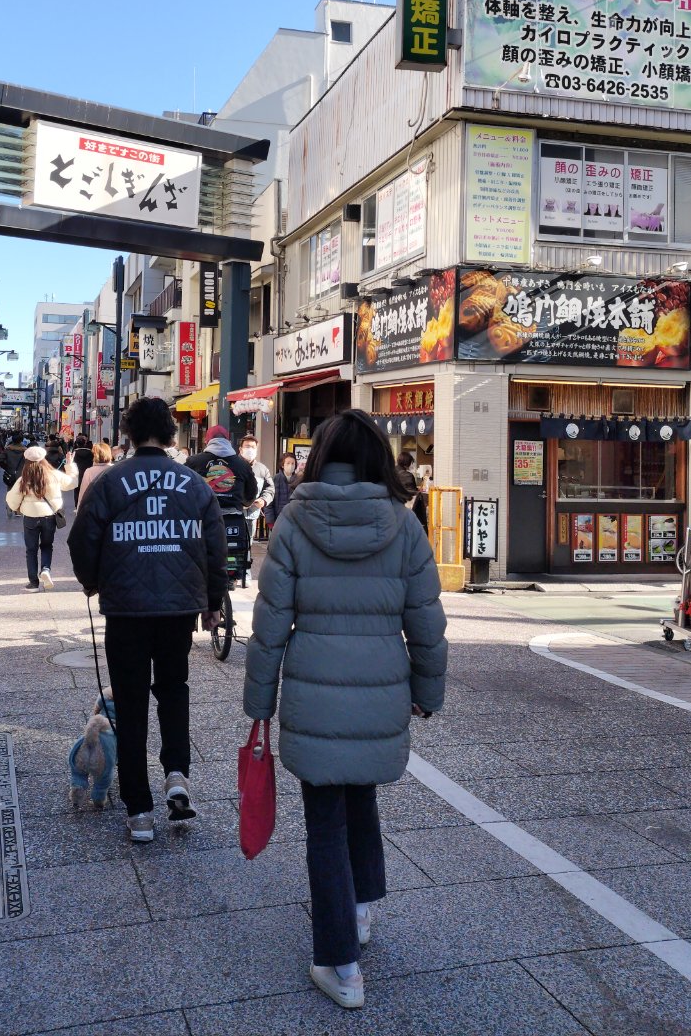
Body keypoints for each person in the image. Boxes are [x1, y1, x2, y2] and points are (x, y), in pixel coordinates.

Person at [244, 409, 446, 1010]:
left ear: (320, 458)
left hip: (315, 694)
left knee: (325, 822)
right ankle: (358, 908)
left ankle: (341, 965)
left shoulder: (294, 522)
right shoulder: (403, 525)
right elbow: (427, 624)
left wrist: (260, 703)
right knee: (360, 794)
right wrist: (428, 692)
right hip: (380, 690)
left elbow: (269, 627)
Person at [69, 397, 228, 844]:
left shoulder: (110, 482)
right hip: (178, 609)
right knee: (174, 689)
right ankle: (176, 773)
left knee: (132, 703)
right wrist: (212, 600)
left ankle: (139, 810)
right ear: (171, 435)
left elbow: (82, 540)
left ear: (129, 434)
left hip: (126, 609)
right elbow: (216, 548)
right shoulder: (194, 484)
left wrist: (93, 581)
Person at [5, 446, 77, 591]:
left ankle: (33, 583)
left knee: (31, 550)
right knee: (46, 545)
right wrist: (70, 465)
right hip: (49, 516)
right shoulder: (54, 475)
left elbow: (12, 501)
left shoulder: (23, 480)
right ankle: (45, 569)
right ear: (44, 459)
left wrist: (18, 507)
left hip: (30, 518)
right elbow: (72, 483)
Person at [187, 424, 258, 513]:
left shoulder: (193, 462)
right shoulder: (243, 465)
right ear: (228, 441)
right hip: (234, 516)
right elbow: (251, 494)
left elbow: (182, 488)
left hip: (203, 515)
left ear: (207, 441)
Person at [239, 435, 275, 570]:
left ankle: (245, 571)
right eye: (247, 446)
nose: (250, 449)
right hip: (234, 513)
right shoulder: (233, 466)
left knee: (248, 544)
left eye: (253, 447)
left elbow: (270, 488)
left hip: (252, 515)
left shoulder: (262, 469)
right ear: (240, 449)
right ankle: (232, 573)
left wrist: (263, 500)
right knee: (232, 543)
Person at [264, 451, 298, 531]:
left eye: (293, 463)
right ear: (282, 465)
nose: (290, 466)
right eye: (288, 463)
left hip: (295, 521)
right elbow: (269, 503)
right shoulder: (275, 479)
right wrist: (270, 522)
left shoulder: (299, 480)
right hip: (277, 520)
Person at [395, 450, 428, 531]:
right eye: (411, 463)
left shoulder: (391, 473)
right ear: (407, 463)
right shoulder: (408, 475)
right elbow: (413, 494)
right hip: (405, 508)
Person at [72, 435, 95, 503]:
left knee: (77, 491)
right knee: (87, 491)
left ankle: (77, 505)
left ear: (77, 443)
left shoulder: (74, 452)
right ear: (85, 443)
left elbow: (71, 463)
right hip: (88, 473)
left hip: (77, 474)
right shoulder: (91, 452)